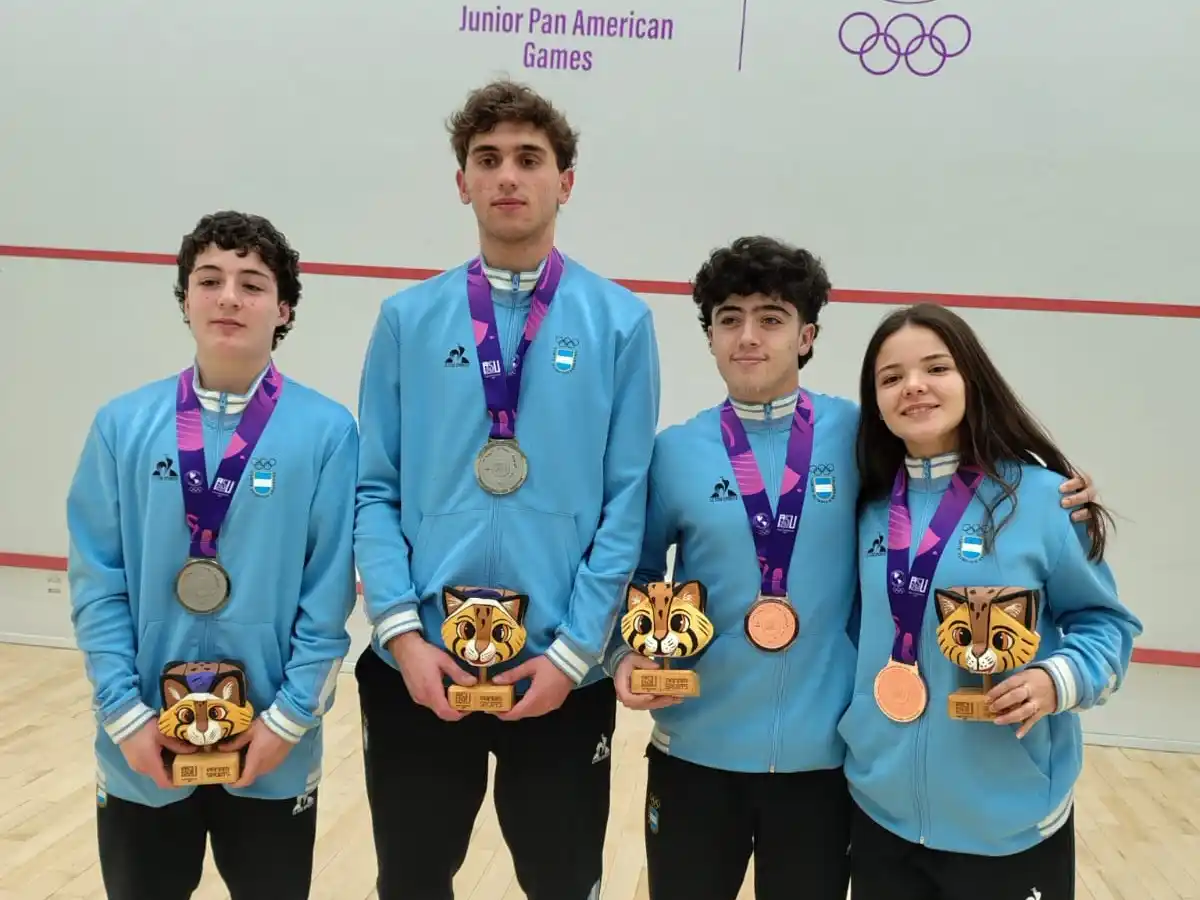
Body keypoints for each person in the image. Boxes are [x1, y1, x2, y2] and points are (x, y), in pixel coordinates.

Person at [603, 238, 1098, 900]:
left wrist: (1056, 495)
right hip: (693, 752)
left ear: (806, 336)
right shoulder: (671, 454)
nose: (748, 336)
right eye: (729, 318)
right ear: (710, 337)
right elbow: (630, 571)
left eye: (771, 318)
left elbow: (953, 469)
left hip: (826, 768)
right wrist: (622, 654)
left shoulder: (865, 437)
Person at [352, 79, 661, 900]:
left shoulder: (621, 323)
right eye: (487, 160)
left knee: (563, 882)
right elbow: (373, 490)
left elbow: (625, 503)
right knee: (411, 881)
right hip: (420, 668)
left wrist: (574, 652)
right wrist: (402, 636)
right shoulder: (407, 319)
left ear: (566, 181)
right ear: (463, 183)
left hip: (559, 671)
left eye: (529, 158)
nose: (508, 176)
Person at [66, 210, 359, 900]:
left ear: (283, 309)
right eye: (209, 280)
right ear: (185, 299)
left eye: (252, 284)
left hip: (272, 746)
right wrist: (125, 715)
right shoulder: (121, 425)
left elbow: (328, 596)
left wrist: (288, 720)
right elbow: (97, 583)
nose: (229, 297)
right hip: (142, 746)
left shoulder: (327, 432)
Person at [838, 302, 1142, 900]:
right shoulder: (867, 506)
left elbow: (1106, 624)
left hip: (1009, 823)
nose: (913, 386)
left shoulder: (1044, 500)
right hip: (880, 813)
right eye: (891, 377)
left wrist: (1056, 680)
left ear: (972, 379)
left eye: (936, 368)